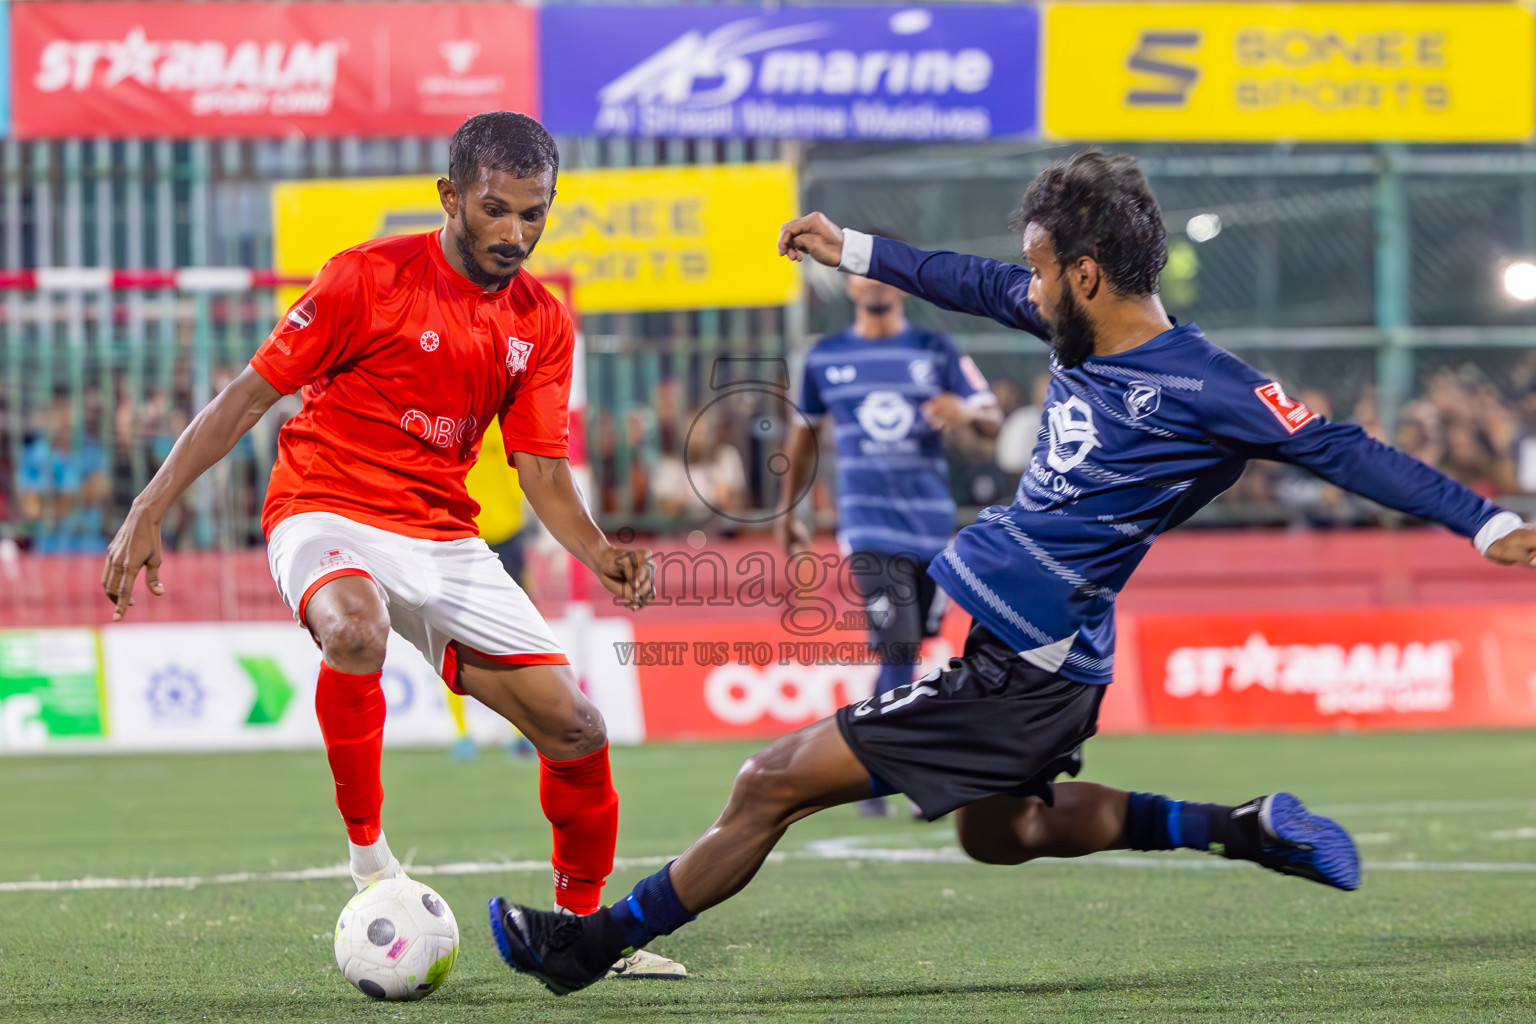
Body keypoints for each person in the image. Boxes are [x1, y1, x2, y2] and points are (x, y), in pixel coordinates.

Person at [484, 151, 1536, 995]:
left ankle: (591, 945)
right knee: (1005, 832)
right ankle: (1244, 827)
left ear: (1085, 273)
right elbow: (969, 280)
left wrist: (1484, 522)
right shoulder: (1070, 319)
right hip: (1045, 655)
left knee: (768, 782)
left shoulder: (1206, 384)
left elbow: (1347, 448)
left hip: (1028, 669)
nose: (1025, 285)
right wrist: (853, 244)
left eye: (1040, 268)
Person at [100, 111, 684, 980]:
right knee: (356, 630)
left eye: (535, 213)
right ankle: (370, 860)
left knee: (578, 729)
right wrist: (149, 504)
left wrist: (599, 551)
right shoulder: (363, 280)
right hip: (324, 504)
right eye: (495, 210)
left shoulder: (542, 322)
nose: (516, 233)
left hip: (443, 533)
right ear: (450, 196)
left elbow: (541, 471)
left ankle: (582, 932)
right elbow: (244, 399)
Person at [774, 254, 1000, 816]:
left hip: (931, 527)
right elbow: (804, 436)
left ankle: (898, 765)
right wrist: (788, 509)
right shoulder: (826, 357)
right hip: (868, 529)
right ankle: (881, 775)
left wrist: (964, 413)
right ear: (849, 282)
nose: (873, 279)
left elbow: (991, 415)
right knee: (897, 643)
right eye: (861, 269)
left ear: (899, 281)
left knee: (911, 650)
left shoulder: (935, 350)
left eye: (881, 268)